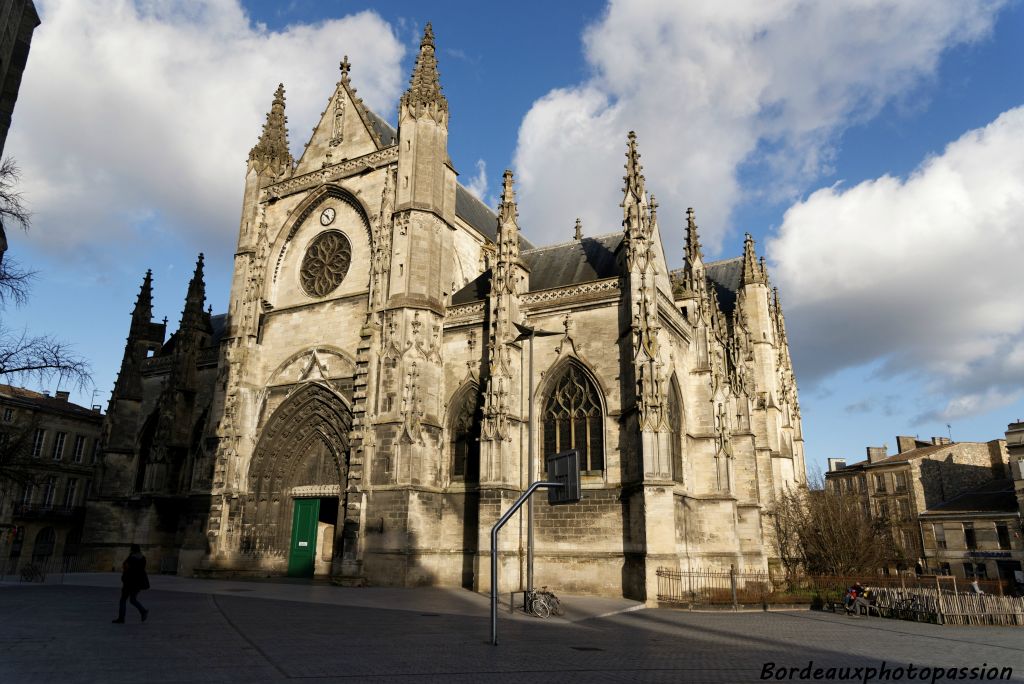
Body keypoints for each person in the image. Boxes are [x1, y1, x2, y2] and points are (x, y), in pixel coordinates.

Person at [113, 544, 150, 623]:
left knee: (123, 600)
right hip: (137, 583)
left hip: (129, 582)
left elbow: (126, 567)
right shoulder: (143, 558)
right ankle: (143, 611)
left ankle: (121, 618)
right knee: (133, 599)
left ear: (132, 550)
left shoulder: (131, 558)